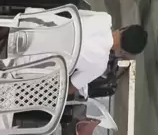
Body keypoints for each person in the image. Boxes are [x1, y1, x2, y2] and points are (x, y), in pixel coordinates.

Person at [4, 10, 147, 97]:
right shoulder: (99, 65)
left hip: (30, 24)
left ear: (124, 28)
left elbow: (72, 13)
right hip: (22, 62)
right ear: (124, 52)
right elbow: (69, 88)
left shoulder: (104, 18)